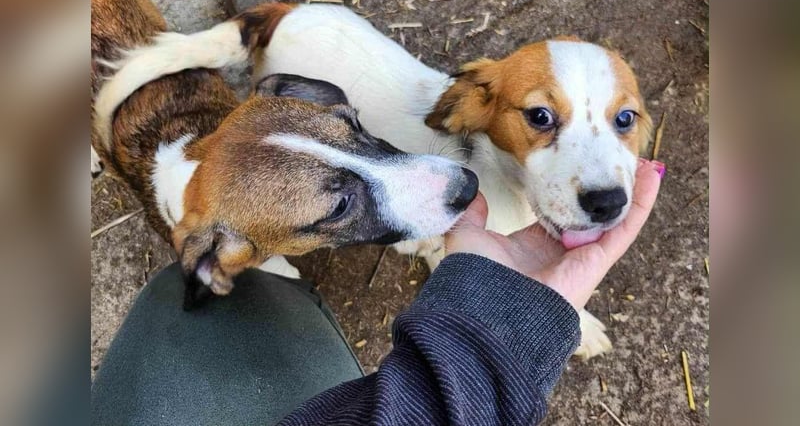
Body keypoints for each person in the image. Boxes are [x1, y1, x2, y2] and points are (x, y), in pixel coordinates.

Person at [91, 159, 663, 426]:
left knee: (179, 296)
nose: (454, 181)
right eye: (340, 202)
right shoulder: (215, 238)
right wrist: (501, 331)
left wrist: (496, 323)